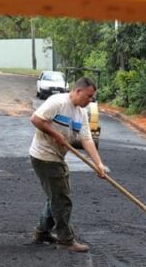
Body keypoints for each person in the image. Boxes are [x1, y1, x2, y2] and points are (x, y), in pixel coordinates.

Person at [29, 77, 106, 252]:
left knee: (57, 196)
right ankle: (65, 240)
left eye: (92, 97)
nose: (90, 100)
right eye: (88, 96)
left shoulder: (81, 113)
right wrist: (56, 135)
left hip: (57, 158)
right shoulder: (58, 102)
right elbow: (35, 119)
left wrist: (98, 164)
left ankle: (42, 232)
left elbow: (86, 139)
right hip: (44, 156)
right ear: (78, 91)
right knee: (62, 199)